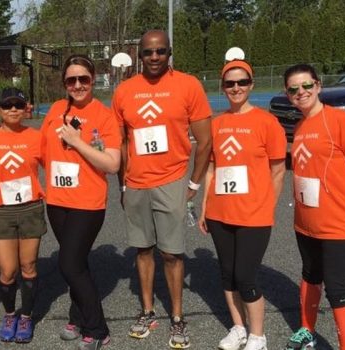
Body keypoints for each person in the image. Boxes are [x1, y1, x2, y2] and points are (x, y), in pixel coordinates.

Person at [112, 29, 212, 348]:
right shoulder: (125, 91)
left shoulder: (188, 85)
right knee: (143, 249)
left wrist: (194, 182)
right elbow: (122, 143)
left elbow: (206, 140)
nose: (154, 57)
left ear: (170, 53)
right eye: (147, 52)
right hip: (137, 183)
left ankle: (178, 318)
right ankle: (147, 310)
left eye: (160, 52)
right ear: (138, 55)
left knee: (171, 252)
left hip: (171, 179)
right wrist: (123, 185)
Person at [196, 58, 286, 350]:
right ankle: (238, 328)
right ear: (222, 87)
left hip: (253, 215)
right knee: (227, 274)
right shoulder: (217, 124)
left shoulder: (267, 123)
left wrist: (267, 206)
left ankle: (258, 335)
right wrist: (204, 207)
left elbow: (277, 170)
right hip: (220, 213)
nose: (236, 88)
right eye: (230, 83)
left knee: (246, 276)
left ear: (251, 85)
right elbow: (210, 169)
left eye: (242, 82)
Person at [282, 64, 345, 350]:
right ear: (288, 95)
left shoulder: (340, 121)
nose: (301, 93)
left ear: (318, 86)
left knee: (336, 289)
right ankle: (306, 331)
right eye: (294, 89)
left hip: (339, 224)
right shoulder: (300, 126)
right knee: (310, 275)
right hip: (306, 222)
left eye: (306, 86)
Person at [41, 54, 122, 350]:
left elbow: (112, 164)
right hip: (58, 200)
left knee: (69, 263)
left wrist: (77, 142)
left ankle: (98, 329)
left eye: (83, 79)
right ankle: (76, 316)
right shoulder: (55, 110)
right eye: (71, 80)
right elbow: (41, 151)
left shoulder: (104, 115)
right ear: (64, 83)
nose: (77, 85)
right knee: (76, 262)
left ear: (93, 79)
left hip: (87, 203)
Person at [0, 87, 45, 343]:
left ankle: (26, 316)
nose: (13, 109)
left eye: (18, 104)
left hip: (30, 208)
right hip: (2, 210)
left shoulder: (37, 137)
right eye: (7, 105)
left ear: (26, 108)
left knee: (28, 267)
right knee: (8, 270)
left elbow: (51, 162)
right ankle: (9, 314)